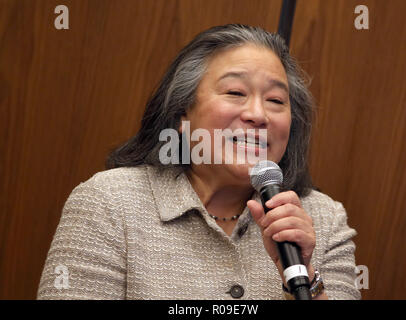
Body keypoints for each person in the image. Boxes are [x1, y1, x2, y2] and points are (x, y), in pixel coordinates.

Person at [37, 24, 360, 300]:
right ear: (182, 113)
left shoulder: (323, 219)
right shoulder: (109, 203)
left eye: (276, 100)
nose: (258, 115)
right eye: (235, 92)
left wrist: (307, 278)